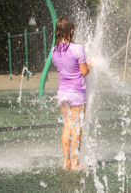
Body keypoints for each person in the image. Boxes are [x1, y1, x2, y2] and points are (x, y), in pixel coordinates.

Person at [51, 18, 90, 170]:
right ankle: (75, 163)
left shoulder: (54, 51)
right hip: (76, 93)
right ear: (71, 31)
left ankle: (66, 162)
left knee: (67, 125)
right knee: (77, 126)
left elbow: (61, 71)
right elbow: (84, 71)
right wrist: (90, 65)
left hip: (62, 93)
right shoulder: (77, 48)